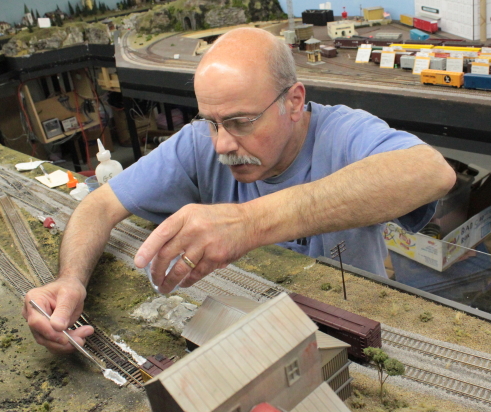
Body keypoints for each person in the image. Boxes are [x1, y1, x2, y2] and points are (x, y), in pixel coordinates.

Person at [23, 28, 456, 353]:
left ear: (293, 101)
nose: (222, 144)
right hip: (251, 328)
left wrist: (249, 223)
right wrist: (70, 280)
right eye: (211, 122)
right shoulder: (200, 142)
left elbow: (431, 172)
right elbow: (99, 205)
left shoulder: (343, 133)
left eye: (241, 122)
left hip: (347, 333)